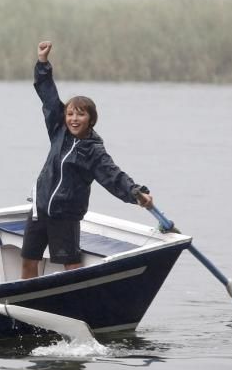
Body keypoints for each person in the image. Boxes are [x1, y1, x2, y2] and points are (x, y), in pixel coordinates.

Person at [21, 41, 154, 279]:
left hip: (65, 216)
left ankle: (79, 302)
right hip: (39, 210)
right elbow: (48, 96)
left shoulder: (94, 151)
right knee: (29, 261)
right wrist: (42, 63)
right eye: (70, 113)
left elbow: (114, 176)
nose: (73, 118)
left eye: (80, 114)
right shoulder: (58, 130)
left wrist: (137, 193)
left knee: (71, 267)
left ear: (91, 119)